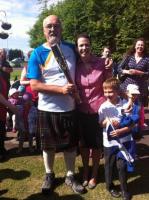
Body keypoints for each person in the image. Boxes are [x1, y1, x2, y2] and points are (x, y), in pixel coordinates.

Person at [27, 15, 84, 194]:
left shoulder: (71, 49)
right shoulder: (37, 53)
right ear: (44, 30)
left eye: (56, 26)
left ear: (61, 28)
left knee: (71, 146)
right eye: (49, 26)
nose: (53, 29)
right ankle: (49, 174)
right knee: (48, 147)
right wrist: (61, 90)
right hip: (47, 108)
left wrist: (104, 64)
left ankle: (69, 176)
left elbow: (87, 61)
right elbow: (34, 85)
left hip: (70, 108)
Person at [75, 33, 112, 189]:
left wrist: (125, 99)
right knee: (83, 144)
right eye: (81, 45)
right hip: (81, 110)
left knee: (96, 146)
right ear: (77, 48)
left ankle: (95, 174)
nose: (84, 48)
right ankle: (85, 172)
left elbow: (110, 84)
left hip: (98, 111)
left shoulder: (102, 63)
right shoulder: (74, 65)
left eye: (86, 44)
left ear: (91, 46)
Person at [98, 77, 138, 200]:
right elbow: (101, 124)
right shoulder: (103, 107)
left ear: (117, 91)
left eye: (110, 91)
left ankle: (124, 189)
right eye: (105, 91)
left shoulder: (126, 104)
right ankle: (109, 186)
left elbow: (132, 124)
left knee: (122, 166)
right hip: (109, 142)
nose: (107, 94)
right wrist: (109, 122)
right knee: (109, 165)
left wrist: (122, 130)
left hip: (124, 141)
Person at [117, 38, 149, 127]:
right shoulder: (129, 57)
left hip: (140, 88)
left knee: (137, 110)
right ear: (135, 46)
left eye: (142, 45)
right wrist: (127, 72)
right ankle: (123, 128)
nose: (140, 46)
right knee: (125, 108)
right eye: (138, 45)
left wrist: (139, 72)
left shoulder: (147, 59)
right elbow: (119, 69)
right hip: (126, 87)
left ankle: (135, 131)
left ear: (144, 47)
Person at [0, 73, 18, 161]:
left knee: (2, 133)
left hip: (2, 112)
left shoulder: (2, 76)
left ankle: (2, 151)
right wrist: (11, 106)